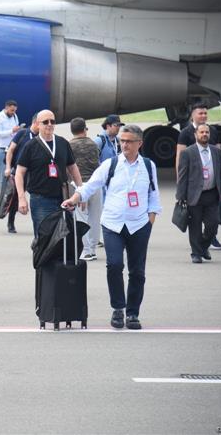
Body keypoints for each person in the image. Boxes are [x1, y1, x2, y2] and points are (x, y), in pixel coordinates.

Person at [62, 124, 161, 330]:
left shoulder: (148, 166)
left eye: (129, 141)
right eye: (122, 141)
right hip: (113, 224)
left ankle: (132, 313)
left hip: (139, 225)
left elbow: (154, 194)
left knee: (137, 272)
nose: (124, 145)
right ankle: (118, 308)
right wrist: (74, 198)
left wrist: (150, 220)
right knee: (114, 265)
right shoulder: (111, 164)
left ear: (139, 143)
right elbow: (91, 185)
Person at [15, 110, 83, 235]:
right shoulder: (30, 146)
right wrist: (21, 198)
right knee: (43, 238)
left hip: (63, 198)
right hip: (40, 200)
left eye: (52, 121)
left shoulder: (63, 143)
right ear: (37, 124)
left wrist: (81, 192)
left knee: (63, 237)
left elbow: (73, 168)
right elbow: (19, 172)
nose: (50, 124)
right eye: (45, 122)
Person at [176, 103, 221, 251]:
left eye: (205, 113)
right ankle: (198, 250)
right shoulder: (185, 133)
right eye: (200, 113)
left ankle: (209, 240)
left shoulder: (212, 131)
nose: (204, 116)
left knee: (213, 220)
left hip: (211, 185)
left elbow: (220, 159)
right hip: (194, 185)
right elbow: (180, 157)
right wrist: (180, 182)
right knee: (196, 221)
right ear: (192, 115)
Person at [69, 117, 102, 261]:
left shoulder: (69, 145)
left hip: (78, 186)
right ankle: (93, 248)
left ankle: (86, 250)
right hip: (94, 185)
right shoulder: (93, 144)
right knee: (95, 218)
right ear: (84, 129)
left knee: (81, 218)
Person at [3, 113, 39, 233]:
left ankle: (39, 223)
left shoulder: (42, 136)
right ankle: (11, 222)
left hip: (35, 172)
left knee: (38, 197)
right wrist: (8, 167)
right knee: (16, 197)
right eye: (43, 123)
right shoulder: (22, 134)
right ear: (35, 123)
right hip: (21, 171)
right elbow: (10, 150)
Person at [0, 100, 20, 190]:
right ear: (6, 108)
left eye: (15, 110)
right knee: (4, 174)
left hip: (13, 148)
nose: (13, 112)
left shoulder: (14, 116)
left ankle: (11, 194)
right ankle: (3, 196)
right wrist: (12, 131)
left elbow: (15, 131)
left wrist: (18, 131)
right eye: (12, 110)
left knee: (14, 173)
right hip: (2, 149)